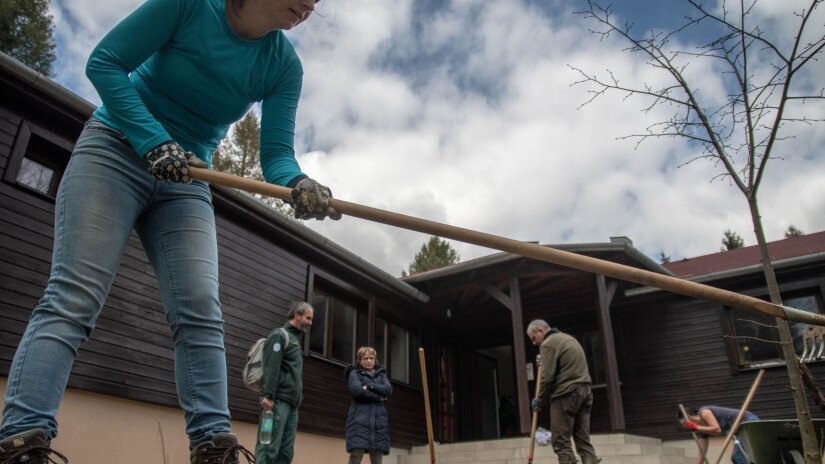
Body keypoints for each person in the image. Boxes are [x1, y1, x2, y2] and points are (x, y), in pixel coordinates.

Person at [0, 0, 339, 461]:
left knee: (200, 307)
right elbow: (105, 62)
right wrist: (154, 141)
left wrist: (298, 184)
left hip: (189, 178)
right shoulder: (190, 5)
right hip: (115, 149)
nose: (310, 4)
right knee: (75, 294)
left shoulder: (283, 65)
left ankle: (212, 445)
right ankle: (23, 437)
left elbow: (276, 155)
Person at [527, 319, 600, 464]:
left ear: (541, 331)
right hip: (585, 393)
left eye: (534, 338)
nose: (534, 343)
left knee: (561, 442)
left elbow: (547, 378)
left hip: (566, 395)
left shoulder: (548, 344)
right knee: (583, 442)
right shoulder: (569, 338)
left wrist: (539, 400)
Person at [256, 302, 313, 464]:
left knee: (285, 452)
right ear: (297, 315)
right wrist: (268, 395)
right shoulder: (279, 336)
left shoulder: (295, 340)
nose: (310, 322)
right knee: (268, 447)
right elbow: (271, 367)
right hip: (276, 401)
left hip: (292, 404)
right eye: (308, 318)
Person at [345, 347, 393, 464]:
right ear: (360, 360)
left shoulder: (381, 375)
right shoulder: (354, 373)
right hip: (359, 420)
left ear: (375, 360)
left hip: (378, 422)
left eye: (371, 358)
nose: (369, 361)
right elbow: (357, 391)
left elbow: (388, 389)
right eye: (365, 358)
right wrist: (378, 397)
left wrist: (370, 386)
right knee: (356, 456)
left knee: (377, 458)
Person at [680, 406, 759, 464]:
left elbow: (717, 429)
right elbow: (702, 453)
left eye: (685, 424)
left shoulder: (704, 412)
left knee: (738, 457)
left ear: (688, 417)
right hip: (741, 429)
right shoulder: (702, 430)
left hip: (748, 422)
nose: (687, 427)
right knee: (737, 458)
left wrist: (696, 427)